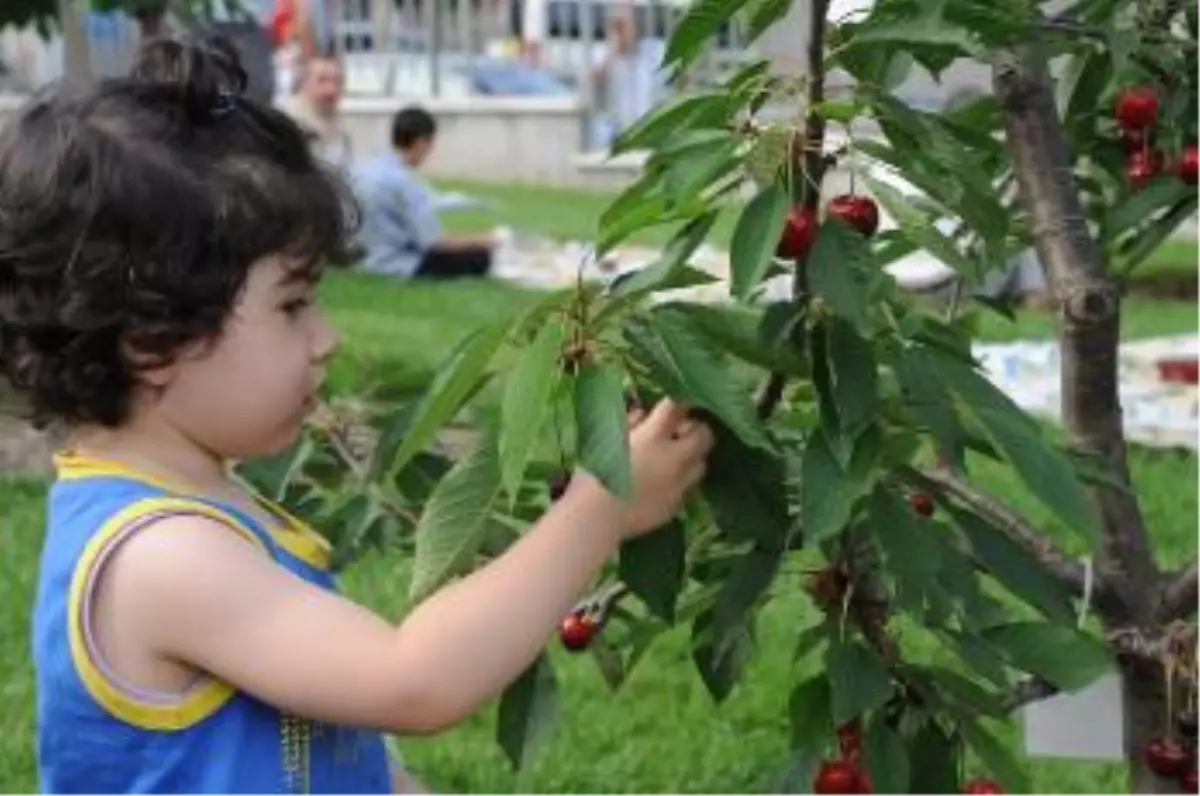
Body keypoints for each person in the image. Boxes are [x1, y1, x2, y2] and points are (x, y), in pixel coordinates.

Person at [2, 36, 714, 796]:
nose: (326, 340)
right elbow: (413, 682)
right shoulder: (160, 558)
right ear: (153, 342)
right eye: (293, 306)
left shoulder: (205, 502)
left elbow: (317, 735)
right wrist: (598, 509)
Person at [352, 106, 498, 279]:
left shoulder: (361, 170)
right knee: (482, 258)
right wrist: (485, 240)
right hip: (401, 263)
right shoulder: (406, 183)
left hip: (364, 258)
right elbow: (433, 243)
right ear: (421, 143)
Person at [278, 49, 352, 171]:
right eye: (322, 80)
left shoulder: (341, 129)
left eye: (338, 82)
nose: (331, 89)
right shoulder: (288, 123)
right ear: (303, 82)